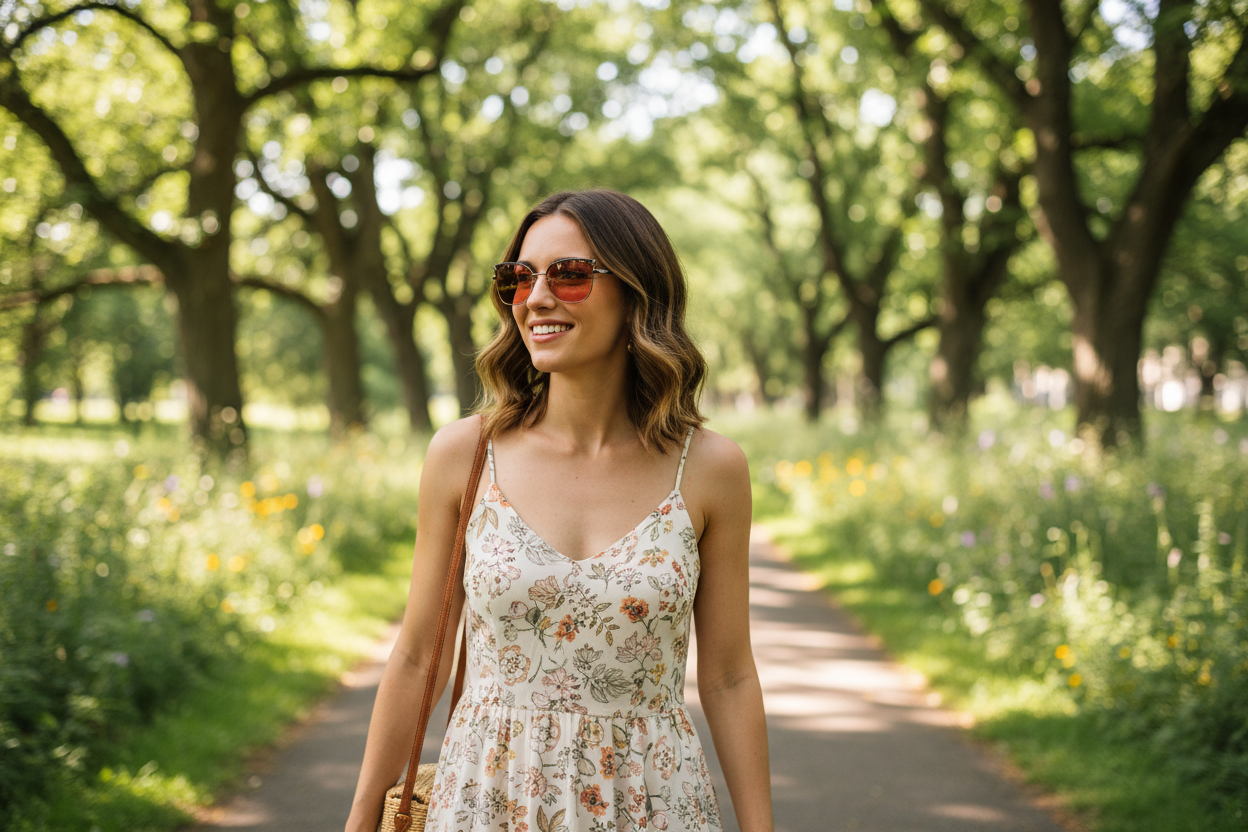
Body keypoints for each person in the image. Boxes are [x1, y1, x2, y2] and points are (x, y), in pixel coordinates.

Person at [345, 189, 773, 832]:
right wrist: (359, 821)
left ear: (637, 293)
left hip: (651, 803)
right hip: (488, 799)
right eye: (519, 278)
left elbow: (730, 677)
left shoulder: (711, 468)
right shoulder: (464, 454)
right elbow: (416, 659)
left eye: (569, 275)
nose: (536, 297)